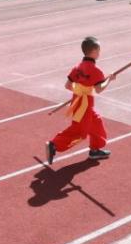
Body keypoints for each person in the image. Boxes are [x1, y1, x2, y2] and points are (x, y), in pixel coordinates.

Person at [45, 36, 116, 164]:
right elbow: (99, 89)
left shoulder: (77, 67)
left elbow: (67, 85)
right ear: (94, 52)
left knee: (96, 122)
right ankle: (55, 144)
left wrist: (79, 91)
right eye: (99, 50)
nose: (99, 53)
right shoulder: (96, 71)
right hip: (85, 103)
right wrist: (109, 80)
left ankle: (95, 150)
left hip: (78, 100)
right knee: (80, 132)